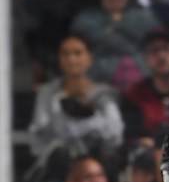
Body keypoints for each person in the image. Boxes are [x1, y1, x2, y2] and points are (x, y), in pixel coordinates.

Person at [27, 34, 126, 172]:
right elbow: (39, 135)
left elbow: (115, 136)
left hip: (99, 165)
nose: (71, 59)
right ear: (59, 59)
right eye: (65, 54)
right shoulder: (47, 93)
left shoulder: (105, 94)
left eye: (78, 53)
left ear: (89, 58)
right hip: (59, 166)